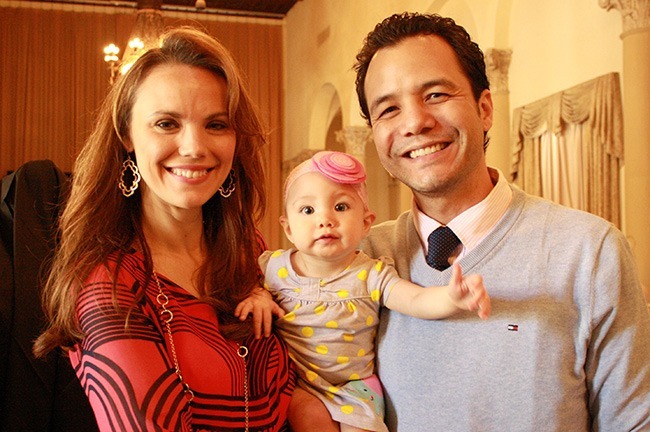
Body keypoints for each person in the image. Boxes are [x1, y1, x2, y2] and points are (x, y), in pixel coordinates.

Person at [351, 11, 650, 431]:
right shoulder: (360, 259)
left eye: (435, 94)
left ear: (485, 107)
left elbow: (633, 420)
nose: (415, 122)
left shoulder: (588, 251)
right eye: (388, 109)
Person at [32, 27, 295, 431]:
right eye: (167, 123)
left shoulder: (251, 254)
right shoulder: (108, 284)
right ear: (127, 136)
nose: (194, 147)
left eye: (217, 124)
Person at [248, 150, 490, 432]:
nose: (324, 219)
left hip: (356, 387)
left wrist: (451, 298)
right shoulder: (272, 268)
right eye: (308, 210)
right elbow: (235, 287)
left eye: (340, 207)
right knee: (306, 416)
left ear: (366, 223)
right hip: (301, 384)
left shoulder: (371, 274)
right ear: (288, 228)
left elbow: (414, 299)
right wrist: (256, 294)